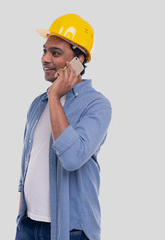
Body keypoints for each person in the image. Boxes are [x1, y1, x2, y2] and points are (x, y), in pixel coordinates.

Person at [15, 13, 112, 240]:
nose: (45, 59)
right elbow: (28, 157)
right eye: (44, 51)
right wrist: (22, 206)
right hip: (28, 225)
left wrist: (55, 97)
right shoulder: (38, 104)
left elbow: (72, 158)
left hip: (70, 230)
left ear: (79, 60)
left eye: (55, 53)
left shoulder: (97, 105)